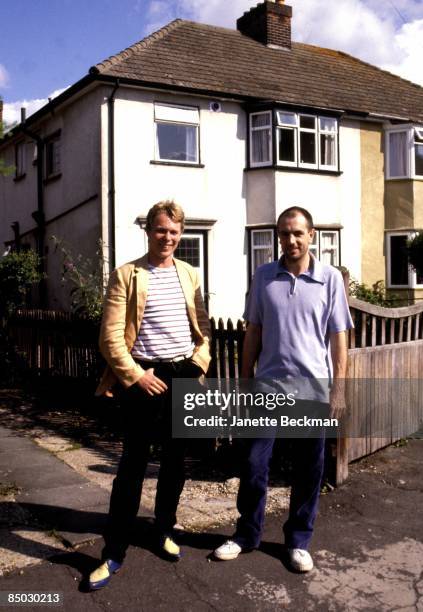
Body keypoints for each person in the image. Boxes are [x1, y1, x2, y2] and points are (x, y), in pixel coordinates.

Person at [213, 206, 353, 572]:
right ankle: (246, 534)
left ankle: (298, 540)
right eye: (284, 233)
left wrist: (339, 390)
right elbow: (253, 332)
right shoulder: (263, 277)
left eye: (297, 233)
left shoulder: (330, 279)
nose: (290, 240)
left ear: (311, 236)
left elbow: (339, 337)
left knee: (309, 468)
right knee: (254, 463)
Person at [89, 200, 211, 590]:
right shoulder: (127, 274)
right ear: (149, 231)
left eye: (175, 232)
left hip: (183, 375)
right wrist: (136, 376)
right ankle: (114, 550)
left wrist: (199, 365)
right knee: (132, 466)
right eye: (162, 230)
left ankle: (163, 529)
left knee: (176, 463)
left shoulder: (190, 273)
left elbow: (203, 327)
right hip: (145, 377)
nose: (168, 238)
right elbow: (109, 338)